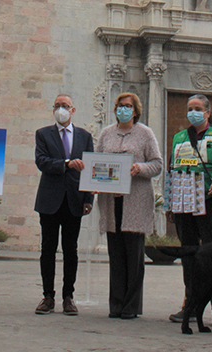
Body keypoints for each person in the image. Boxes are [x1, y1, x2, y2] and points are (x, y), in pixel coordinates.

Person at [97, 92, 162, 319]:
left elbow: (157, 164)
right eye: (120, 106)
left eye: (128, 106)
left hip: (135, 202)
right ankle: (116, 304)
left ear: (135, 111)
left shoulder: (145, 134)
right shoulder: (106, 134)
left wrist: (139, 168)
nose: (123, 110)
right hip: (112, 202)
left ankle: (131, 306)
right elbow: (96, 163)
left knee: (134, 256)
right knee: (116, 256)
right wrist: (94, 180)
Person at [166, 94, 212, 324]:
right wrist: (170, 202)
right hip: (183, 201)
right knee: (189, 253)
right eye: (190, 108)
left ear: (208, 112)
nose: (193, 112)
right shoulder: (179, 137)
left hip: (208, 200)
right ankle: (190, 305)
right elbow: (173, 168)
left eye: (198, 108)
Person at [34, 93, 94, 315]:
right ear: (53, 110)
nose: (61, 109)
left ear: (73, 110)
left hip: (74, 200)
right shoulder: (43, 134)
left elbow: (90, 168)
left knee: (71, 250)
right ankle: (47, 296)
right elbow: (42, 161)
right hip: (50, 200)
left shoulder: (84, 136)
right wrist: (66, 163)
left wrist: (89, 198)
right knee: (47, 249)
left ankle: (68, 296)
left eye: (65, 106)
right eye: (58, 106)